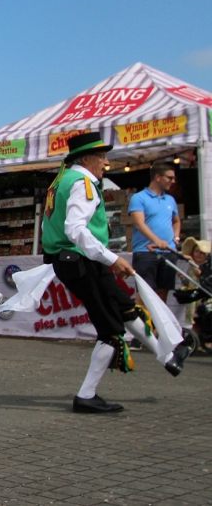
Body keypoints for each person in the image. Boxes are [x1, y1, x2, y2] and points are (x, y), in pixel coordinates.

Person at [40, 132, 189, 414]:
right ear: (86, 158)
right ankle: (86, 395)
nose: (105, 163)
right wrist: (111, 259)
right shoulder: (81, 182)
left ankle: (167, 357)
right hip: (82, 261)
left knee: (124, 308)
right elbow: (75, 230)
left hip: (79, 260)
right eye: (101, 157)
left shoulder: (62, 179)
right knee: (110, 329)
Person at [129, 162, 180, 302]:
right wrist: (156, 240)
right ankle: (147, 323)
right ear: (158, 177)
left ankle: (159, 324)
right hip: (145, 252)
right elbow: (139, 223)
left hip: (169, 251)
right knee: (146, 295)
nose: (173, 181)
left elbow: (176, 221)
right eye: (169, 178)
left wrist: (176, 238)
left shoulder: (170, 199)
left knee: (163, 294)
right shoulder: (138, 198)